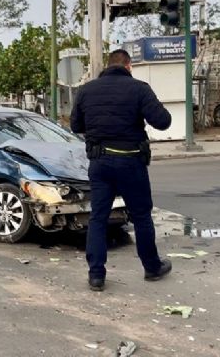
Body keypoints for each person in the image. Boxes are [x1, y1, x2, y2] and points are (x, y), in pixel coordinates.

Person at [70, 49, 173, 292]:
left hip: (99, 163)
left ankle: (96, 275)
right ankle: (152, 268)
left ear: (107, 66)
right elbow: (163, 121)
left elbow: (76, 125)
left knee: (98, 217)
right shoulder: (139, 88)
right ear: (128, 66)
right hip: (131, 162)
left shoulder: (86, 90)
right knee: (141, 216)